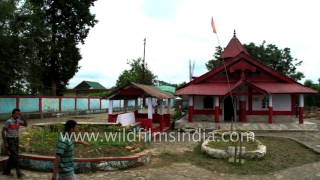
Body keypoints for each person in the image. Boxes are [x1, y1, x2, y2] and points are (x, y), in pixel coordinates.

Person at [2, 108, 27, 178]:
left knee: (12, 156)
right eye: (16, 113)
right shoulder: (8, 121)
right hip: (10, 140)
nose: (17, 115)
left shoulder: (18, 121)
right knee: (16, 156)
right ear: (12, 114)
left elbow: (26, 124)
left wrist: (22, 116)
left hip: (16, 140)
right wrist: (5, 142)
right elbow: (2, 131)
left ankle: (6, 171)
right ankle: (18, 172)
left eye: (18, 113)